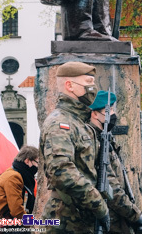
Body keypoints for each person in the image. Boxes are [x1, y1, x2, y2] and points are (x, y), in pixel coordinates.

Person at [39, 61, 109, 233]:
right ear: (69, 85)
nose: (93, 88)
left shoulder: (79, 121)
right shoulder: (60, 122)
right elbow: (62, 172)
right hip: (64, 218)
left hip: (81, 216)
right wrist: (99, 204)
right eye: (88, 83)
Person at [89, 91, 142, 234]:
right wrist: (134, 215)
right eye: (109, 111)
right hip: (110, 217)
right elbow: (111, 186)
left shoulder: (106, 138)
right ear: (94, 114)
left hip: (117, 216)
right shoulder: (95, 141)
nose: (113, 114)